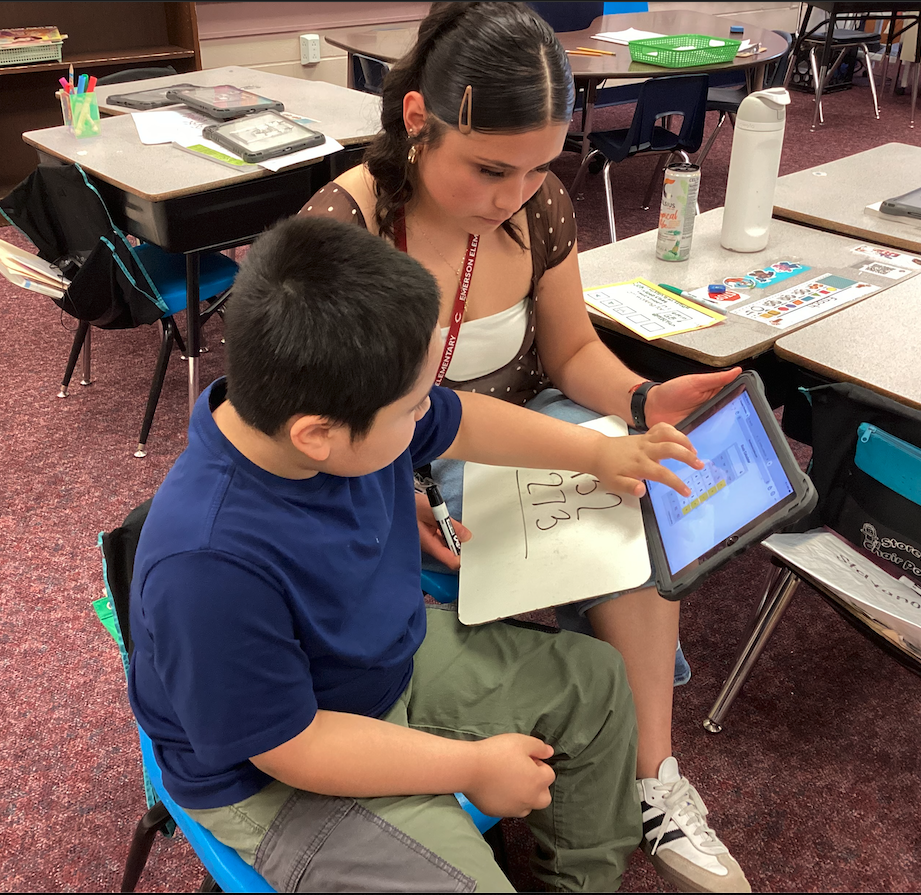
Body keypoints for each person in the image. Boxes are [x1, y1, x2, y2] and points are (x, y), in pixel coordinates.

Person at [298, 3, 749, 893]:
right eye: (489, 169)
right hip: (394, 452)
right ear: (418, 119)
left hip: (515, 423)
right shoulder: (342, 229)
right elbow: (311, 424)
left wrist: (641, 398)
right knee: (602, 510)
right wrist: (388, 490)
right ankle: (605, 756)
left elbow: (571, 349)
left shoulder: (537, 206)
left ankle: (650, 779)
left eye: (540, 166)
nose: (514, 195)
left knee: (639, 503)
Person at [127, 214, 711, 892]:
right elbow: (292, 748)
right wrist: (471, 768)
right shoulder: (207, 566)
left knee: (597, 684)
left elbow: (461, 420)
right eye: (410, 411)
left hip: (373, 668)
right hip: (277, 774)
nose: (424, 416)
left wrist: (600, 452)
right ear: (317, 435)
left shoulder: (324, 415)